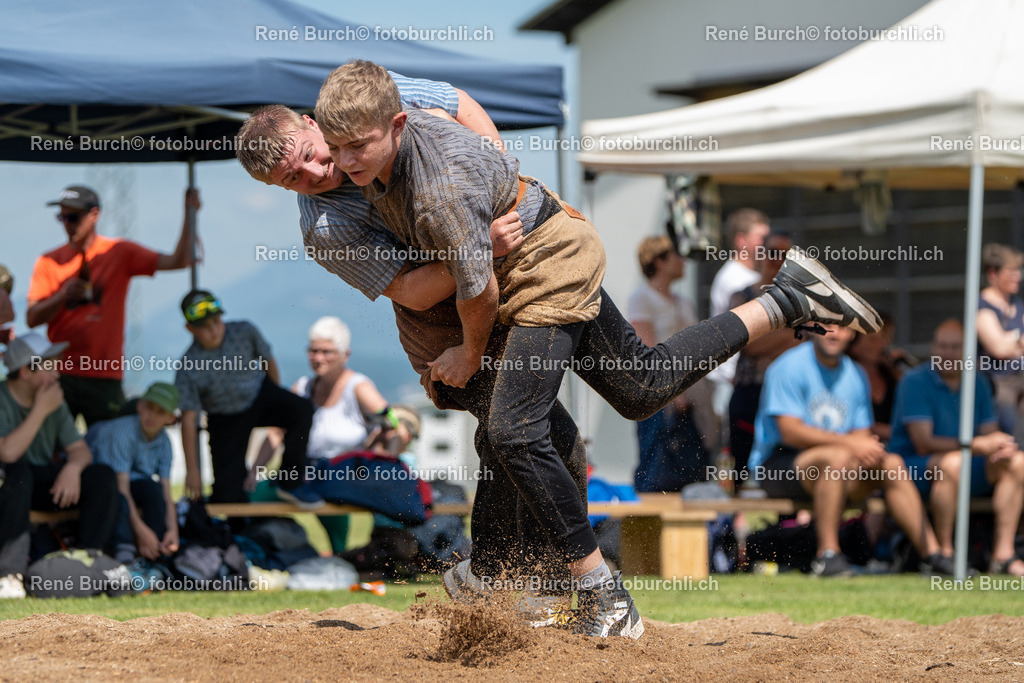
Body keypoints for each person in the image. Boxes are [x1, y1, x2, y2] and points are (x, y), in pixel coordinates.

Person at [314, 60, 882, 633]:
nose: (344, 162)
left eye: (358, 145)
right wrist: (508, 181)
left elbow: (477, 289)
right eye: (334, 147)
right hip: (531, 253)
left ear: (397, 124)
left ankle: (598, 590)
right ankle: (785, 301)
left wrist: (468, 352)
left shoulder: (440, 187)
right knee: (638, 389)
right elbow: (452, 98)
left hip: (542, 267)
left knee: (515, 427)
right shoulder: (373, 155)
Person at [749, 324, 948, 577]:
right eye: (826, 325)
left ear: (852, 333)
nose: (834, 333)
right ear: (811, 328)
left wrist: (865, 448)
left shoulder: (855, 374)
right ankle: (828, 556)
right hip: (778, 465)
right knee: (838, 457)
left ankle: (933, 556)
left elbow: (862, 436)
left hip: (837, 471)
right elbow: (791, 431)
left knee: (892, 462)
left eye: (842, 327)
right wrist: (852, 444)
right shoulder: (788, 366)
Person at [26, 185, 199, 426]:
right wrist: (62, 296)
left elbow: (178, 261)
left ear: (94, 215)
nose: (67, 224)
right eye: (62, 217)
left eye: (72, 217)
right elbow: (31, 318)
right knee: (55, 451)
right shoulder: (48, 261)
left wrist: (189, 214)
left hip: (104, 374)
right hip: (59, 373)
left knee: (108, 448)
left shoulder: (119, 252)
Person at [889, 319, 1024, 576]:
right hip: (913, 469)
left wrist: (998, 446)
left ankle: (1003, 555)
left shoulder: (979, 383)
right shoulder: (914, 382)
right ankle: (945, 555)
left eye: (955, 347)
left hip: (963, 464)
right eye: (942, 346)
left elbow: (988, 434)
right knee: (952, 464)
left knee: (1017, 461)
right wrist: (976, 445)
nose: (947, 353)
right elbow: (923, 443)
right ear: (932, 347)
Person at [247, 316, 391, 553]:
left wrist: (375, 458)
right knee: (248, 500)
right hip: (299, 477)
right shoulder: (302, 387)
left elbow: (392, 423)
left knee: (335, 527)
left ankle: (341, 559)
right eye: (313, 351)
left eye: (327, 352)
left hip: (341, 479)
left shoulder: (359, 387)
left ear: (346, 354)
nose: (318, 358)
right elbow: (275, 433)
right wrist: (255, 471)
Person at [173, 290, 319, 508]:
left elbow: (268, 361)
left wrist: (276, 397)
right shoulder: (188, 366)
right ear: (190, 329)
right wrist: (192, 470)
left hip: (260, 394)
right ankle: (239, 531)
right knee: (227, 496)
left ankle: (290, 482)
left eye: (216, 321)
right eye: (204, 326)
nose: (213, 330)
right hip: (225, 417)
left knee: (301, 409)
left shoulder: (244, 331)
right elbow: (188, 419)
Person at [0, 333, 120, 591]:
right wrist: (41, 409)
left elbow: (80, 450)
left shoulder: (54, 399)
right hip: (10, 488)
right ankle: (10, 576)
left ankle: (90, 563)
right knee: (17, 472)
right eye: (49, 366)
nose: (57, 374)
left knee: (102, 476)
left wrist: (72, 468)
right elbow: (7, 453)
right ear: (25, 372)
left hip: (44, 484)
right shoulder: (7, 399)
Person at [627, 235, 714, 492]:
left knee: (695, 464)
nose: (683, 260)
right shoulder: (641, 299)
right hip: (661, 397)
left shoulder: (683, 301)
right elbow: (647, 348)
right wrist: (673, 394)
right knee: (658, 465)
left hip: (692, 397)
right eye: (676, 255)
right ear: (660, 261)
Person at [727, 233, 798, 477]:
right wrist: (789, 332)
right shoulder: (742, 296)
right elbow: (749, 345)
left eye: (784, 255)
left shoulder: (800, 300)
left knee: (783, 463)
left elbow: (805, 341)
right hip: (750, 393)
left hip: (788, 395)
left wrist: (768, 335)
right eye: (773, 253)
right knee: (741, 469)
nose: (777, 261)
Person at [86, 382, 181, 564]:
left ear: (171, 419)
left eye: (161, 412)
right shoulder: (123, 434)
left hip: (127, 482)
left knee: (153, 491)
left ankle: (157, 551)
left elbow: (166, 493)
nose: (152, 415)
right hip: (98, 483)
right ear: (139, 406)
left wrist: (173, 530)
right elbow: (122, 489)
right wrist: (141, 531)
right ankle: (125, 554)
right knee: (117, 496)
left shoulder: (165, 443)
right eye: (149, 408)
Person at [706, 208, 772, 421]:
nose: (768, 244)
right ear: (741, 240)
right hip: (731, 382)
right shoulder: (735, 279)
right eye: (762, 237)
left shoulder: (750, 276)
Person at [976, 243, 1024, 442]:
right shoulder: (981, 305)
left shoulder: (1016, 304)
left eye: (1018, 271)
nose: (1018, 276)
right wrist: (1017, 342)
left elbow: (1005, 344)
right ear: (992, 274)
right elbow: (999, 349)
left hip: (1021, 377)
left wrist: (1010, 340)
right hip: (997, 384)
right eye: (1011, 271)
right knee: (1014, 432)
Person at [847, 313, 909, 442]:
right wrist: (890, 431)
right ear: (854, 345)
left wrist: (898, 370)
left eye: (882, 339)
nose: (881, 345)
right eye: (872, 340)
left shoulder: (892, 374)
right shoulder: (847, 376)